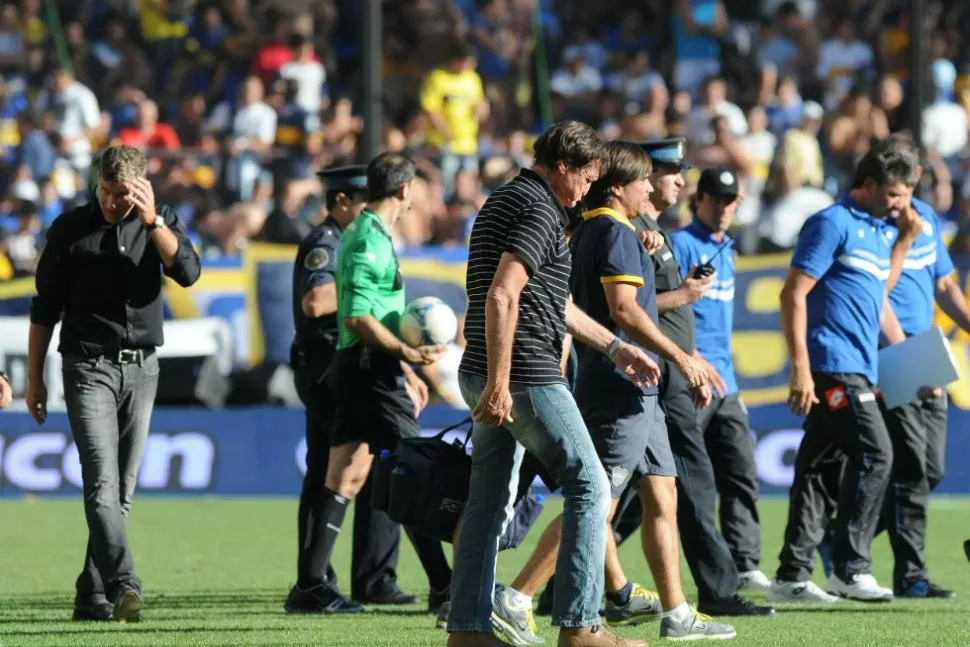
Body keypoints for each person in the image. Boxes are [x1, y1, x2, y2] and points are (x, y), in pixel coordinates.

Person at [491, 140, 735, 645]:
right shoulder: (614, 231)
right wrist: (681, 356)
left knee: (662, 492)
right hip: (623, 387)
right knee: (595, 500)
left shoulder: (600, 228)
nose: (652, 186)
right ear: (621, 186)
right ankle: (516, 597)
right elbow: (623, 310)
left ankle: (676, 611)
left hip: (638, 392)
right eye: (644, 178)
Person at [447, 120, 661, 647]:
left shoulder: (504, 200)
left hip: (483, 367)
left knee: (488, 502)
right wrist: (501, 382)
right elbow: (503, 295)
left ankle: (468, 630)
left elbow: (550, 301)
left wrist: (613, 346)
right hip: (521, 373)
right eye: (586, 177)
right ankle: (582, 627)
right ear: (563, 166)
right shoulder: (541, 208)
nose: (587, 190)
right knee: (591, 483)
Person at [26, 144, 201, 622]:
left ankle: (91, 593)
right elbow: (44, 307)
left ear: (142, 190)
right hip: (87, 368)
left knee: (122, 490)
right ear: (96, 182)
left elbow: (188, 272)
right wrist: (35, 377)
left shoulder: (158, 222)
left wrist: (153, 223)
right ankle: (125, 582)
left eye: (123, 195)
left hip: (143, 368)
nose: (111, 202)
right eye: (106, 191)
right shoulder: (68, 230)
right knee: (101, 484)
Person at [621, 139, 775, 618]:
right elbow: (626, 310)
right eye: (668, 173)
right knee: (666, 485)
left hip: (678, 375)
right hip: (658, 374)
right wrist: (689, 354)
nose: (676, 182)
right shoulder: (633, 232)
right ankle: (716, 590)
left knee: (652, 487)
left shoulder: (653, 231)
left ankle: (564, 581)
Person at [813, 139, 967, 599]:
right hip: (891, 350)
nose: (903, 195)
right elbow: (875, 297)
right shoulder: (876, 226)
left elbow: (945, 285)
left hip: (926, 350)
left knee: (931, 469)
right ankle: (910, 574)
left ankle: (840, 538)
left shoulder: (925, 219)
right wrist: (910, 360)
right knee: (913, 467)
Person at [772, 140, 922, 603]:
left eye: (907, 195)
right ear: (869, 184)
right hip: (832, 364)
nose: (903, 204)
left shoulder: (880, 230)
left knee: (818, 467)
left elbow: (878, 294)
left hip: (861, 363)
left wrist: (903, 242)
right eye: (895, 194)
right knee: (877, 456)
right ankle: (849, 567)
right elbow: (792, 294)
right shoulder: (831, 223)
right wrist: (800, 368)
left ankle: (792, 575)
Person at [305, 152, 454, 615]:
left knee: (344, 475)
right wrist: (407, 354)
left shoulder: (368, 234)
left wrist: (406, 367)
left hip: (362, 366)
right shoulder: (369, 241)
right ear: (406, 190)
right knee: (417, 473)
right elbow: (358, 316)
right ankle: (446, 587)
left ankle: (309, 585)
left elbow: (375, 315)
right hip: (370, 369)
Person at [668, 168, 771, 593]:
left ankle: (744, 564)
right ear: (700, 199)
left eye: (732, 201)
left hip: (725, 384)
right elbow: (662, 312)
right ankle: (605, 551)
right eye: (719, 199)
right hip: (690, 378)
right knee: (661, 487)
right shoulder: (677, 244)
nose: (726, 208)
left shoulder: (727, 248)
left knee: (741, 471)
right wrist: (691, 359)